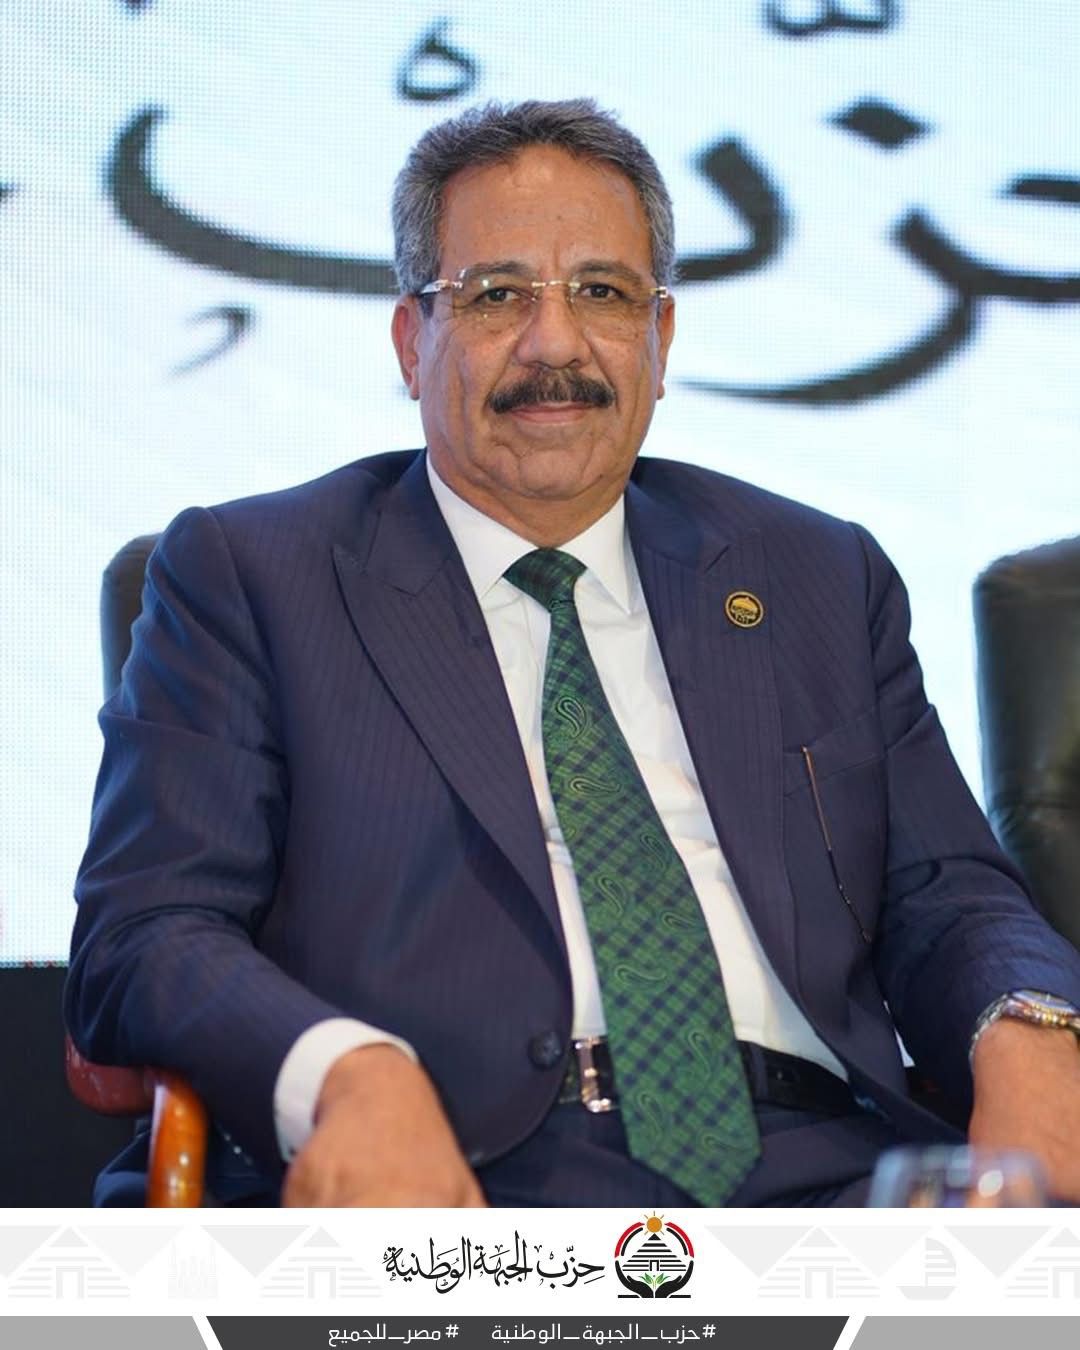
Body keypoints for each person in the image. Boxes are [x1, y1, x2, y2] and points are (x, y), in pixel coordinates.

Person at [67, 99, 1080, 1208]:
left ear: (661, 339)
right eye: (496, 294)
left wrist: (1027, 1024)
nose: (555, 345)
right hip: (447, 1185)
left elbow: (948, 893)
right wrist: (346, 1075)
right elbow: (148, 931)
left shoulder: (814, 576)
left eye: (602, 292)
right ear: (412, 341)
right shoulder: (253, 577)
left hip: (820, 1185)